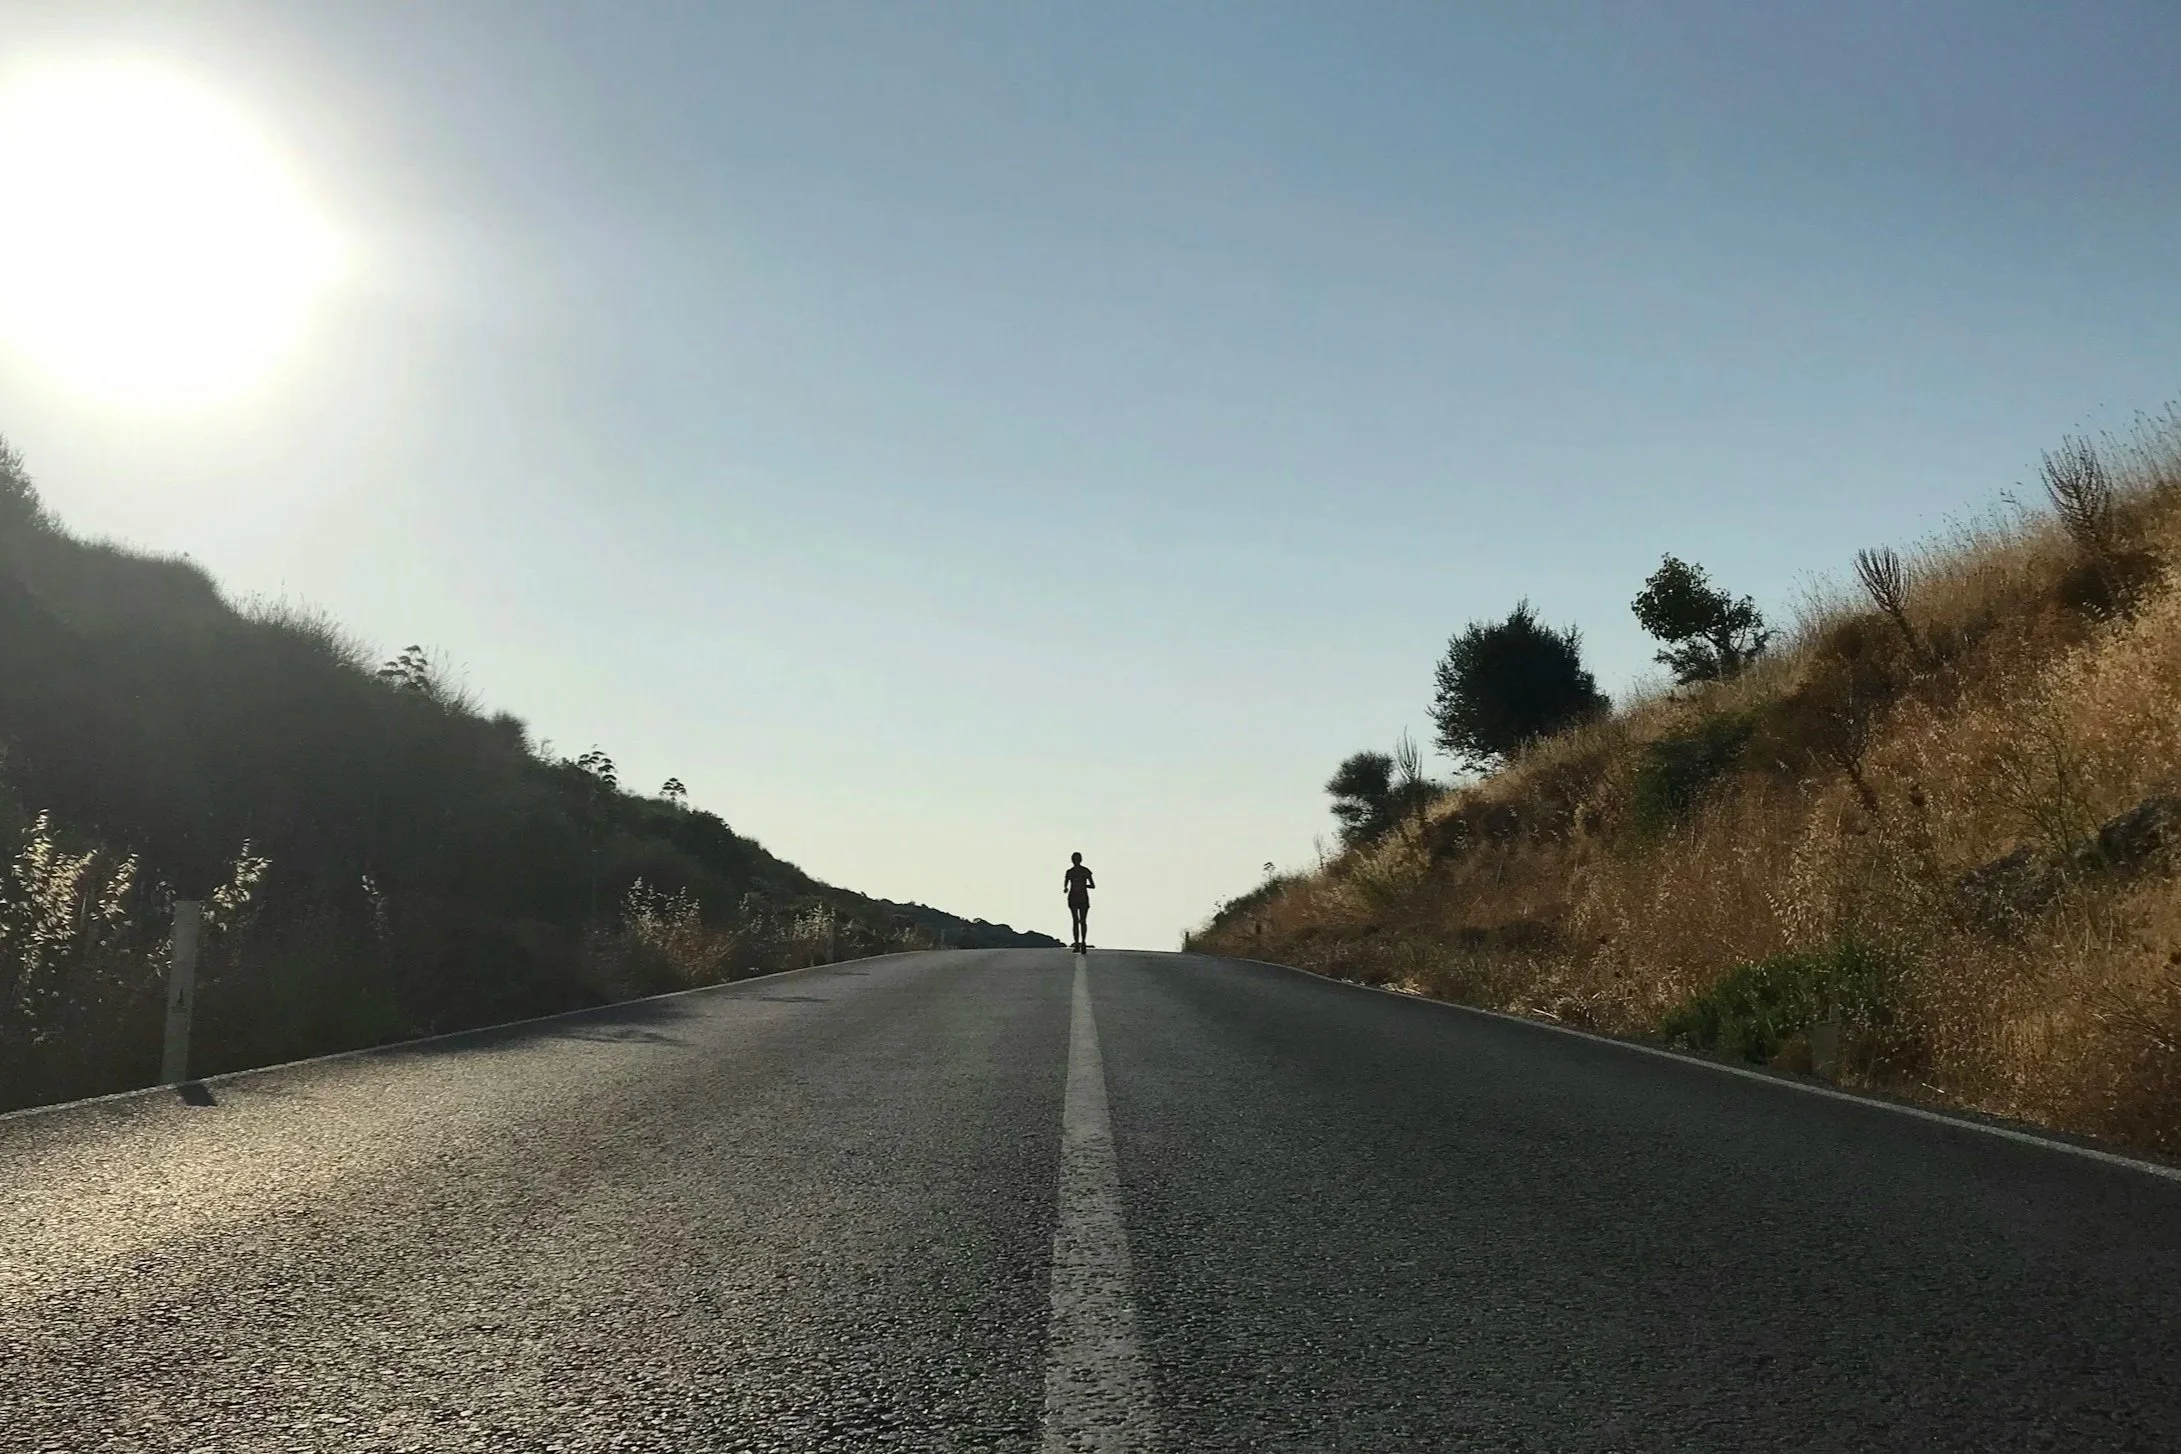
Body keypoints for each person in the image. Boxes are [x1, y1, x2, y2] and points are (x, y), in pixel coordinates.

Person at [1062, 852, 1094, 952]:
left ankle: (1080, 943)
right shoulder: (1081, 871)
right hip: (1079, 897)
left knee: (1078, 921)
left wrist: (1068, 888)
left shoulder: (1072, 872)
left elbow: (1092, 885)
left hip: (1077, 897)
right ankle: (1080, 943)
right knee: (1080, 921)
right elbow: (1092, 885)